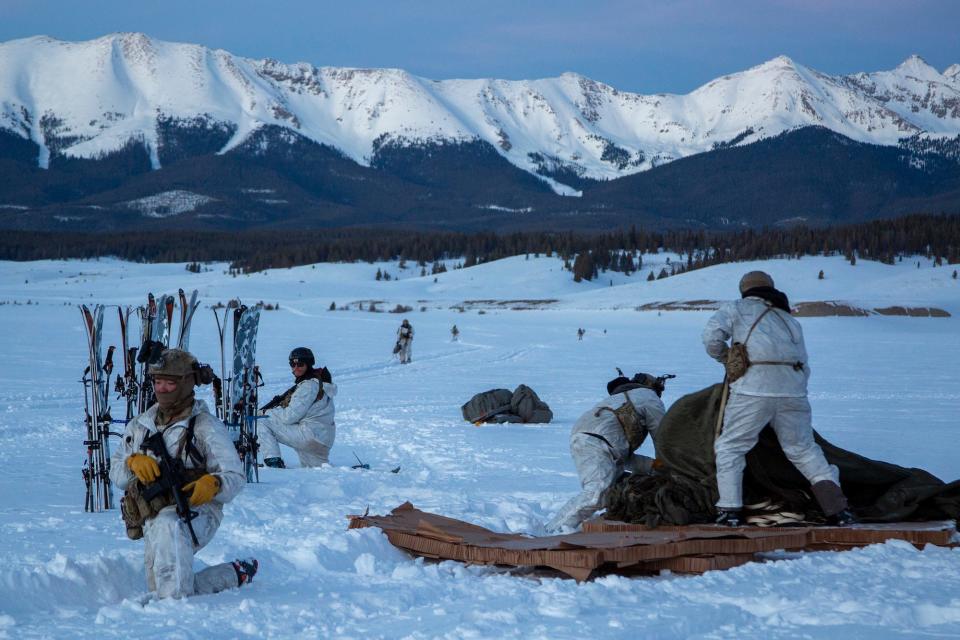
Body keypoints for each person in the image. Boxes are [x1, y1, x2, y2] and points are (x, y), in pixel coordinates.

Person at [703, 270, 855, 526]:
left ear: (744, 291)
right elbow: (804, 362)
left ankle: (730, 511)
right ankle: (838, 510)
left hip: (753, 389)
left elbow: (711, 338)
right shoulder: (788, 319)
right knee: (803, 450)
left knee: (731, 447)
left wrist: (727, 360)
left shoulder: (737, 308)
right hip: (794, 392)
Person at [110, 348, 256, 600]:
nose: (163, 389)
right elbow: (117, 473)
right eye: (158, 382)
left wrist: (214, 483)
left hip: (196, 513)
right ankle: (232, 574)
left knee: (171, 577)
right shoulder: (140, 425)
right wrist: (132, 462)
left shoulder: (205, 425)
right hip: (151, 513)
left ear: (186, 384)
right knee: (163, 585)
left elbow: (236, 475)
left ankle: (172, 616)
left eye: (170, 382)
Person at [545, 372, 667, 533]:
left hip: (593, 440)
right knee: (596, 493)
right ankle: (552, 531)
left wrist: (656, 466)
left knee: (615, 491)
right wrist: (669, 464)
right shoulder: (648, 396)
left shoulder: (621, 398)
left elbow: (625, 458)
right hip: (597, 441)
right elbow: (663, 437)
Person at [259, 347, 337, 468]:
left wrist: (266, 412)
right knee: (318, 472)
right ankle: (354, 473)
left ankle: (273, 463)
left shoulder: (309, 386)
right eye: (292, 364)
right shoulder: (319, 383)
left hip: (309, 436)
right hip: (322, 440)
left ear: (308, 365)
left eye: (300, 364)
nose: (295, 368)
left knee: (261, 420)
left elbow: (289, 417)